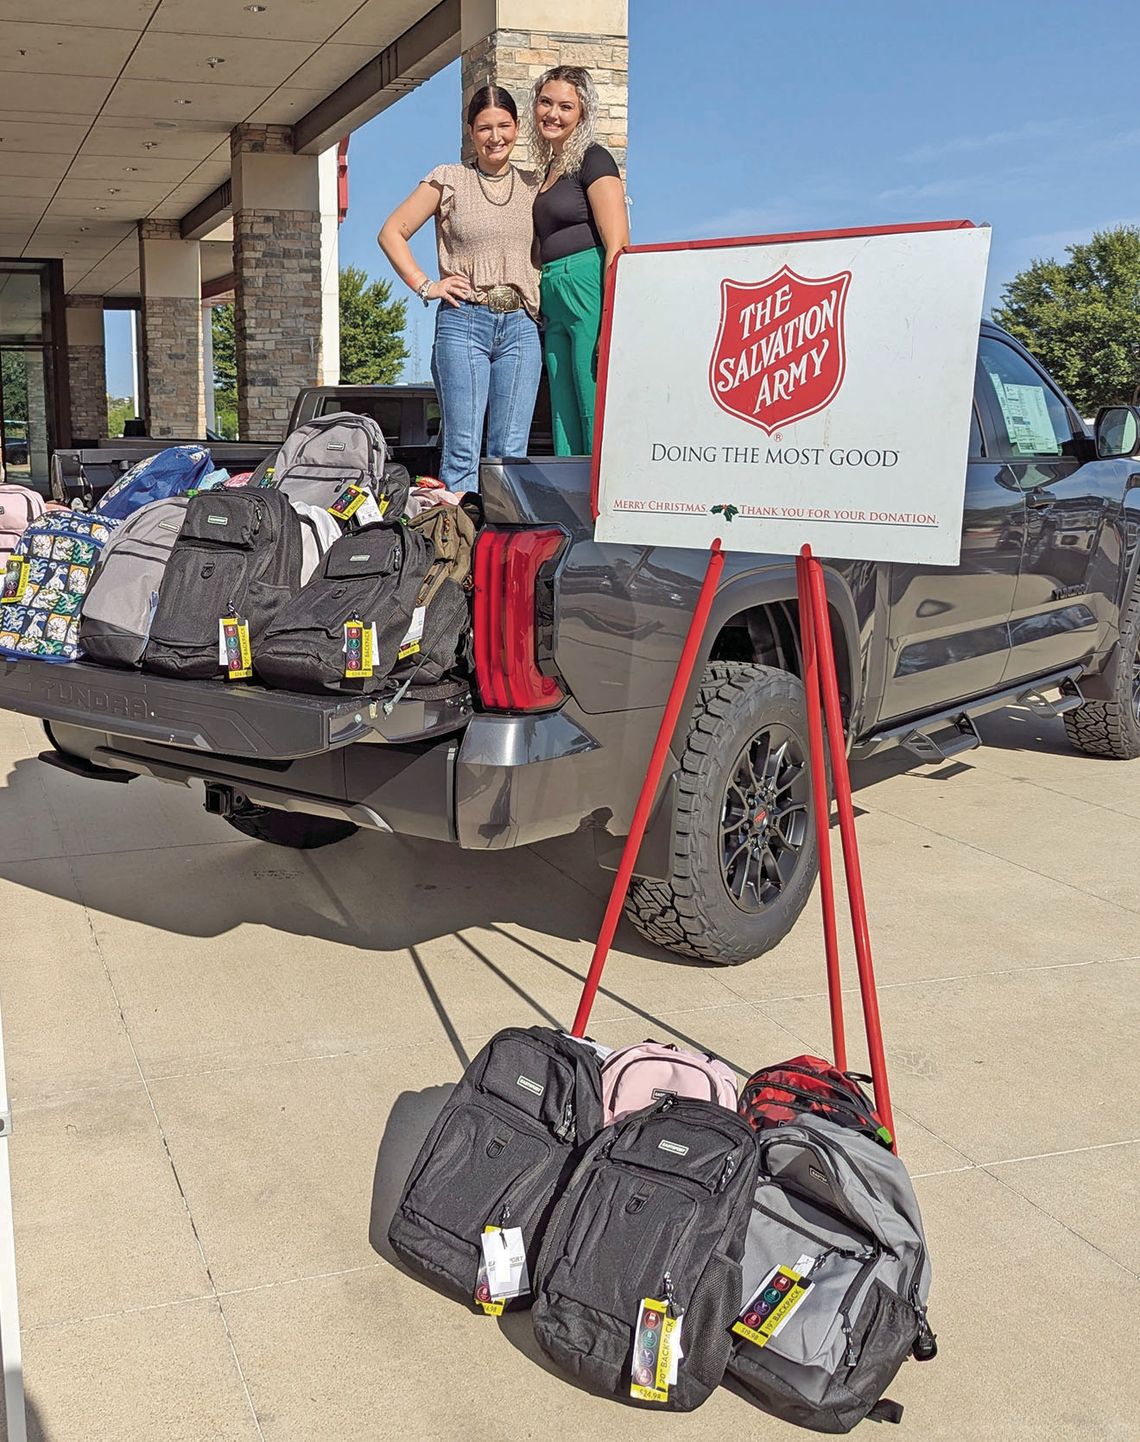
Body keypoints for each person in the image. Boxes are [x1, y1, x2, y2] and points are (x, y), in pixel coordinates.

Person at [378, 85, 541, 494]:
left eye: (504, 125)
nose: (495, 136)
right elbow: (391, 232)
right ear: (471, 132)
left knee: (511, 455)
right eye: (485, 127)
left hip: (521, 326)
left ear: (517, 128)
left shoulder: (534, 183)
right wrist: (426, 285)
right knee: (463, 452)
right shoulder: (449, 179)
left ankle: (504, 550)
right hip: (464, 321)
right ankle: (460, 552)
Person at [528, 65, 629, 456]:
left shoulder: (594, 158)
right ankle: (569, 502)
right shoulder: (549, 170)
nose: (553, 113)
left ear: (582, 113)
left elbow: (618, 241)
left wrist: (610, 317)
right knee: (563, 412)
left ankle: (601, 505)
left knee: (591, 403)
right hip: (552, 290)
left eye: (565, 106)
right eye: (545, 102)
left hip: (586, 280)